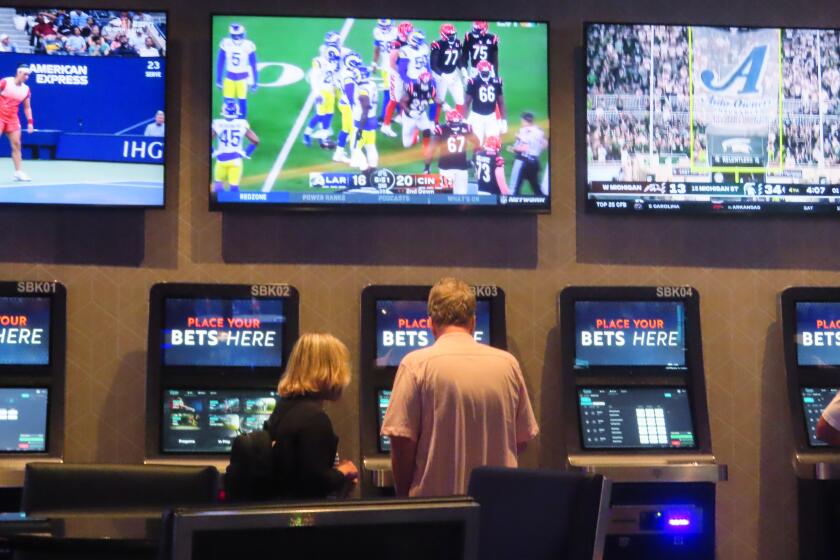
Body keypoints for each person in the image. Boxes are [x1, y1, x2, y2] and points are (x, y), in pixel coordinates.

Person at [381, 277, 539, 497]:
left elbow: (401, 440)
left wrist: (404, 498)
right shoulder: (507, 364)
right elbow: (521, 440)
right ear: (473, 322)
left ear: (430, 324)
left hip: (437, 510)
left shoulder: (415, 364)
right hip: (496, 507)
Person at [266, 333, 359, 498]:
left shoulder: (284, 407)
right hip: (302, 518)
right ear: (329, 370)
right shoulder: (314, 418)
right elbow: (315, 483)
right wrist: (344, 472)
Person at [0, 64, 34, 182]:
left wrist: (30, 122)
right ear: (18, 73)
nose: (27, 77)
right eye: (25, 74)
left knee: (17, 144)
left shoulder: (26, 89)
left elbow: (27, 107)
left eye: (28, 75)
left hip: (12, 118)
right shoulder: (5, 82)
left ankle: (18, 173)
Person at [509, 111, 548, 197]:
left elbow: (524, 148)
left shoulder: (523, 131)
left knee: (514, 189)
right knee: (536, 187)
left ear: (524, 120)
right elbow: (545, 144)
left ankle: (512, 208)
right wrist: (535, 149)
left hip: (523, 162)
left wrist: (513, 148)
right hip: (535, 163)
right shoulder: (539, 130)